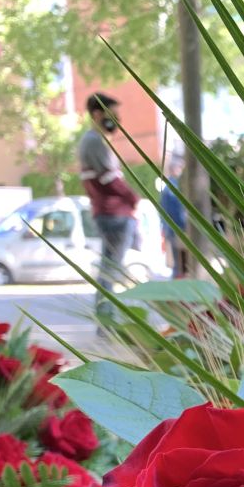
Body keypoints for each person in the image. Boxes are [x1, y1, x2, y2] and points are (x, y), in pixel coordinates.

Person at [78, 92, 140, 326]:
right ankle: (108, 323)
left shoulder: (95, 141)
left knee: (109, 270)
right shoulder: (93, 141)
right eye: (111, 113)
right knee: (111, 272)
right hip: (114, 214)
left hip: (111, 213)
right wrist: (133, 198)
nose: (116, 119)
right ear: (97, 114)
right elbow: (108, 178)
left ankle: (107, 322)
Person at [159, 155, 190, 278]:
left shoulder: (168, 187)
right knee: (180, 264)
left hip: (171, 229)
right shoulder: (173, 188)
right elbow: (176, 212)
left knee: (178, 263)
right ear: (175, 169)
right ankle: (178, 293)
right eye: (180, 168)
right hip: (176, 230)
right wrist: (184, 227)